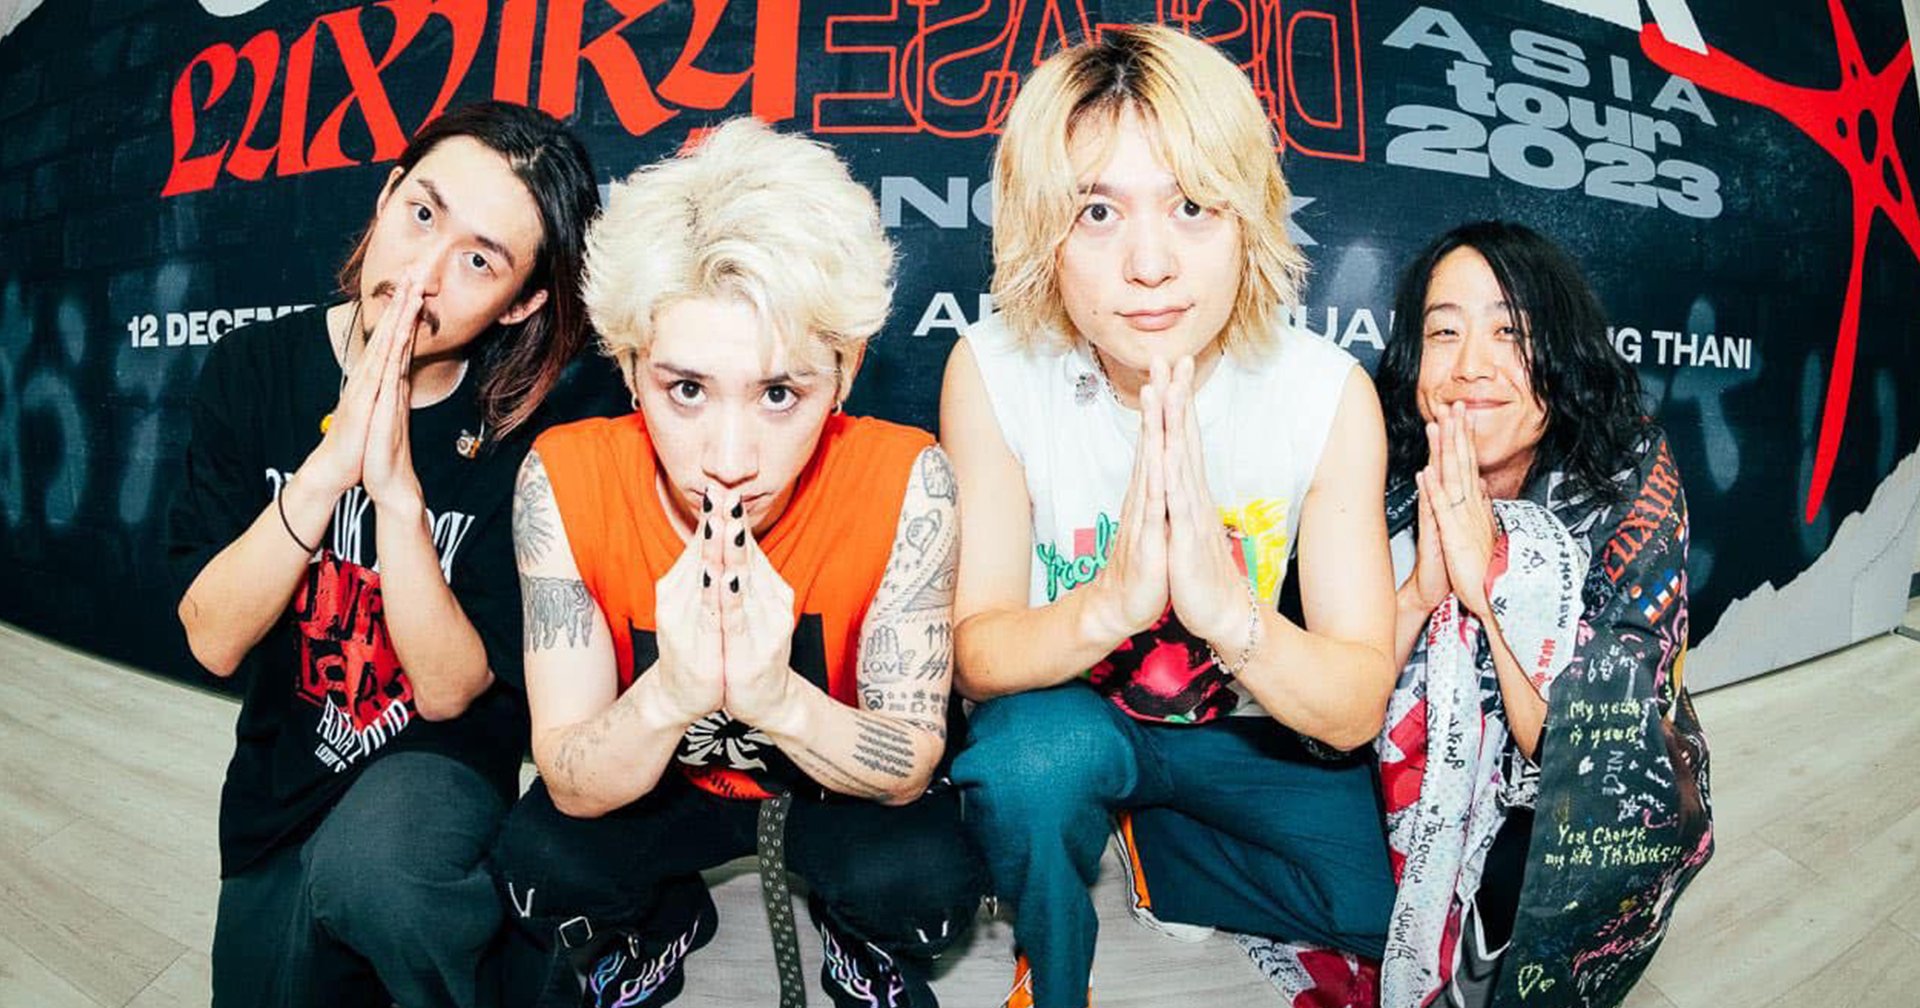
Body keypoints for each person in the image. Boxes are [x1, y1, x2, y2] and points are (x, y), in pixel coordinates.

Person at [939, 25, 1399, 1008]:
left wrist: (1227, 613)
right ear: (1042, 231)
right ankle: (1051, 961)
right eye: (1097, 211)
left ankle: (1161, 848)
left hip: (1240, 727)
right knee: (1024, 772)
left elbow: (1358, 700)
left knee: (1384, 908)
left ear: (1248, 218)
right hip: (1069, 713)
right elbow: (975, 654)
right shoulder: (992, 370)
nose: (1149, 263)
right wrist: (1110, 605)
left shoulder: (1325, 393)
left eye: (1192, 206)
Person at [490, 117, 984, 1008]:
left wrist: (777, 698)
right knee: (538, 871)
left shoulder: (907, 479)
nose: (729, 457)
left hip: (830, 791)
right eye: (686, 389)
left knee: (927, 890)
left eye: (780, 393)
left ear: (845, 372)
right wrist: (673, 690)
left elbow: (909, 761)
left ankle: (854, 938)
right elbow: (568, 777)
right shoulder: (563, 478)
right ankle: (666, 922)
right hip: (661, 787)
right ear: (630, 368)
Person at [167, 101, 599, 1008]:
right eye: (423, 213)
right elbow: (212, 640)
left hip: (435, 772)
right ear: (387, 194)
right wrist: (329, 471)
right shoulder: (254, 369)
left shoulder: (529, 433)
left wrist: (399, 496)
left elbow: (448, 692)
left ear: (521, 301)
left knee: (377, 875)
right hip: (285, 774)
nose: (422, 275)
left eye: (479, 261)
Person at [1227, 221, 1713, 1007]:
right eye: (1444, 333)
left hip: (1576, 807)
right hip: (1397, 792)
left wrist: (1494, 586)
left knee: (1531, 870)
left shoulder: (1624, 477)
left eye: (1509, 334)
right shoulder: (1382, 470)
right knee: (1205, 785)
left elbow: (1592, 765)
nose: (1471, 367)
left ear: (1561, 351)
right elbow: (1329, 722)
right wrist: (1422, 591)